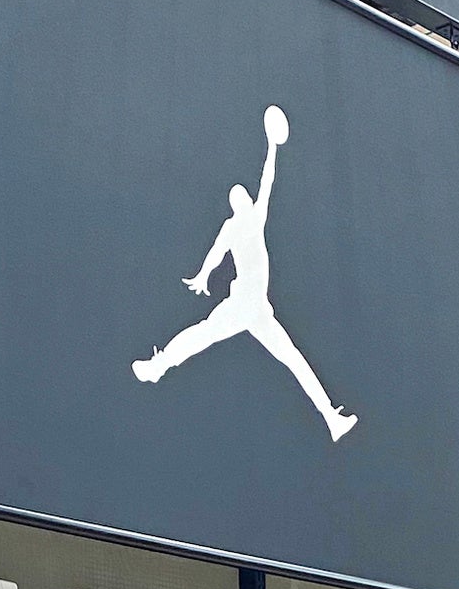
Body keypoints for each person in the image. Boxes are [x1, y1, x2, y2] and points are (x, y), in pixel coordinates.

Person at [133, 106, 357, 443]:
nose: (247, 197)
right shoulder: (238, 224)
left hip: (258, 309)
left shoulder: (253, 218)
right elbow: (217, 251)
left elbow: (267, 181)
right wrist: (203, 274)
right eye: (242, 196)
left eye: (245, 196)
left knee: (292, 358)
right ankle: (158, 365)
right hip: (242, 304)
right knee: (206, 334)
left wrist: (272, 146)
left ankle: (330, 417)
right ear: (237, 203)